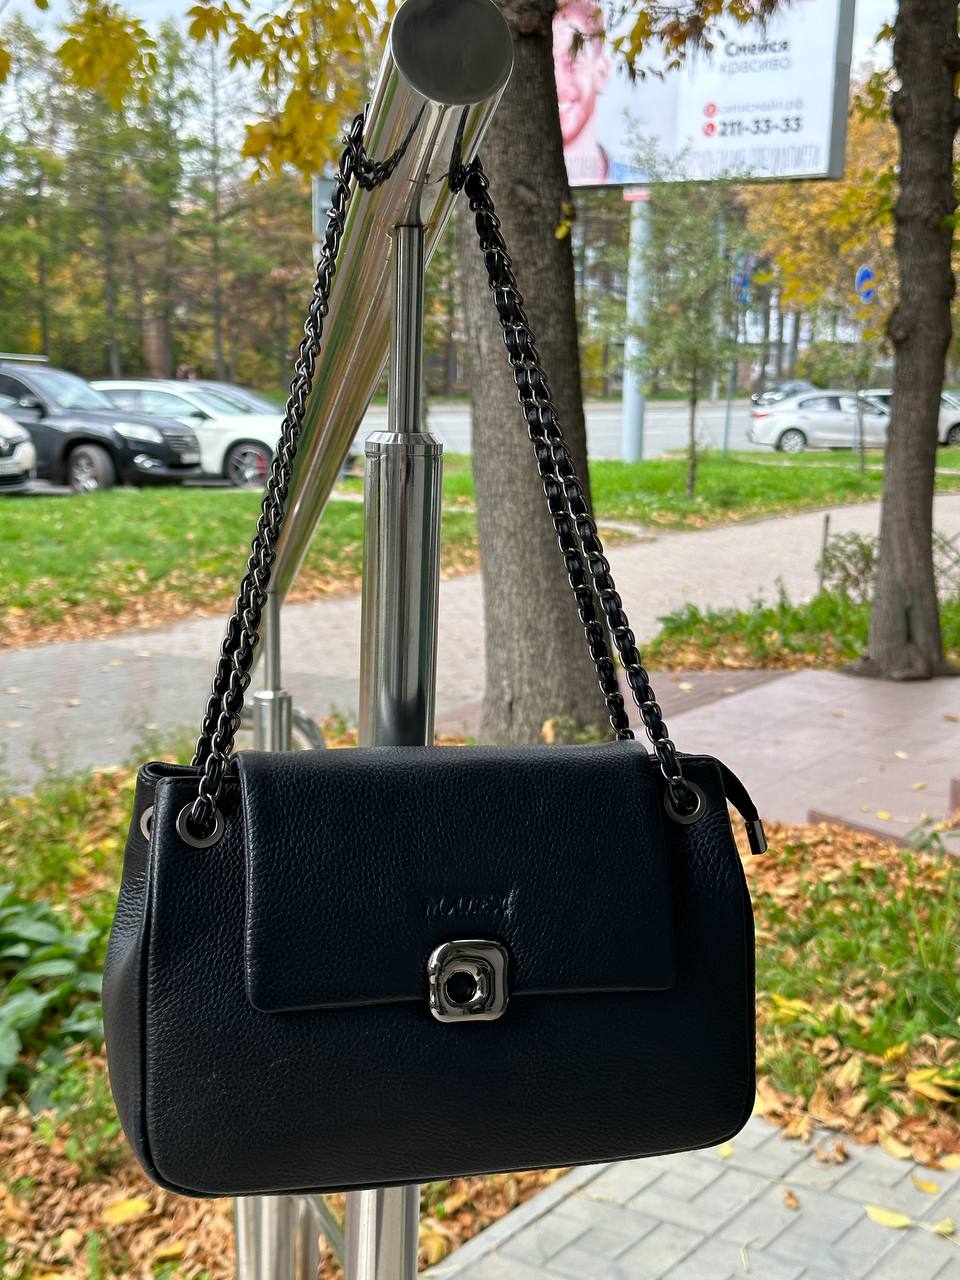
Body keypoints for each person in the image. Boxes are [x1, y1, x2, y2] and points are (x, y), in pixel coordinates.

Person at [553, 0, 611, 184]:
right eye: (549, 65)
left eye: (572, 62)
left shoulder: (636, 183)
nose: (559, 84)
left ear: (601, 72)